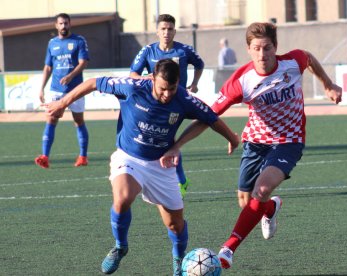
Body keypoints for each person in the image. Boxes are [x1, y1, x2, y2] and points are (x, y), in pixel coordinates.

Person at [43, 59, 240, 275]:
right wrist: (62, 103)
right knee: (123, 197)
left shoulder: (183, 98)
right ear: (153, 78)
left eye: (172, 89)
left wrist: (229, 138)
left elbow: (209, 117)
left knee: (175, 224)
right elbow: (92, 82)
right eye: (163, 88)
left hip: (161, 165)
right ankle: (120, 247)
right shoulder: (132, 87)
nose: (167, 94)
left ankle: (179, 260)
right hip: (129, 157)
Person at [184, 22, 342, 269]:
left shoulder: (293, 62)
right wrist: (176, 146)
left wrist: (328, 84)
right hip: (255, 143)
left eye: (267, 48)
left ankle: (228, 249)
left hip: (289, 141)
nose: (262, 54)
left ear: (275, 47)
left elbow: (309, 58)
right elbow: (208, 115)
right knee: (248, 201)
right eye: (256, 48)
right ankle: (271, 208)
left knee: (261, 189)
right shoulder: (241, 82)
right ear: (248, 49)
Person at [130, 13, 205, 197]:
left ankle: (178, 181)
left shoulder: (184, 51)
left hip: (178, 103)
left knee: (169, 140)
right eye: (163, 29)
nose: (166, 32)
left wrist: (194, 83)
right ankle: (180, 180)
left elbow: (200, 64)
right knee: (168, 142)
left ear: (175, 31)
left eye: (170, 29)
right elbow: (133, 74)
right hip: (156, 104)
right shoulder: (148, 51)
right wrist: (145, 79)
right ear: (157, 31)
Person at [34, 13, 90, 168]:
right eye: (61, 23)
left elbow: (83, 62)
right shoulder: (52, 43)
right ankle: (45, 156)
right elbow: (48, 67)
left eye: (66, 23)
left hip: (76, 89)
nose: (63, 26)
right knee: (51, 118)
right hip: (56, 90)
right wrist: (41, 88)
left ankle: (83, 157)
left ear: (70, 24)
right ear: (56, 25)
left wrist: (71, 76)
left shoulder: (79, 40)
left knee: (78, 121)